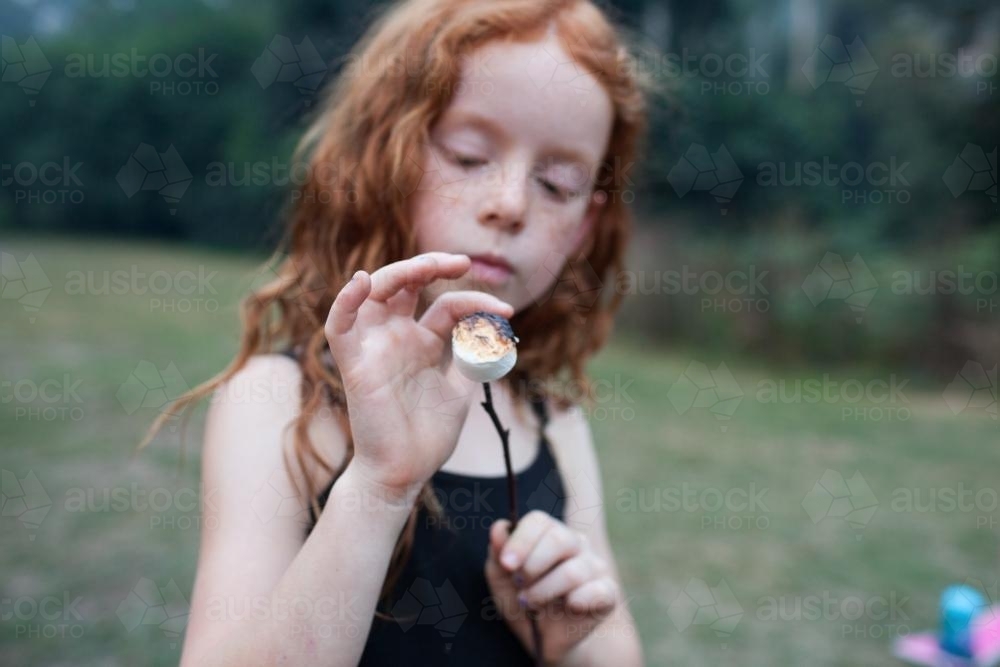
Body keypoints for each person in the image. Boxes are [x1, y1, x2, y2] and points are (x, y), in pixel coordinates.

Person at [142, 0, 653, 664]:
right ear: (388, 155)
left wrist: (567, 643)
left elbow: (618, 650)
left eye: (556, 184)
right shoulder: (275, 402)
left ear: (585, 227)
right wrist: (379, 486)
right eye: (470, 157)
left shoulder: (551, 419)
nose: (512, 203)